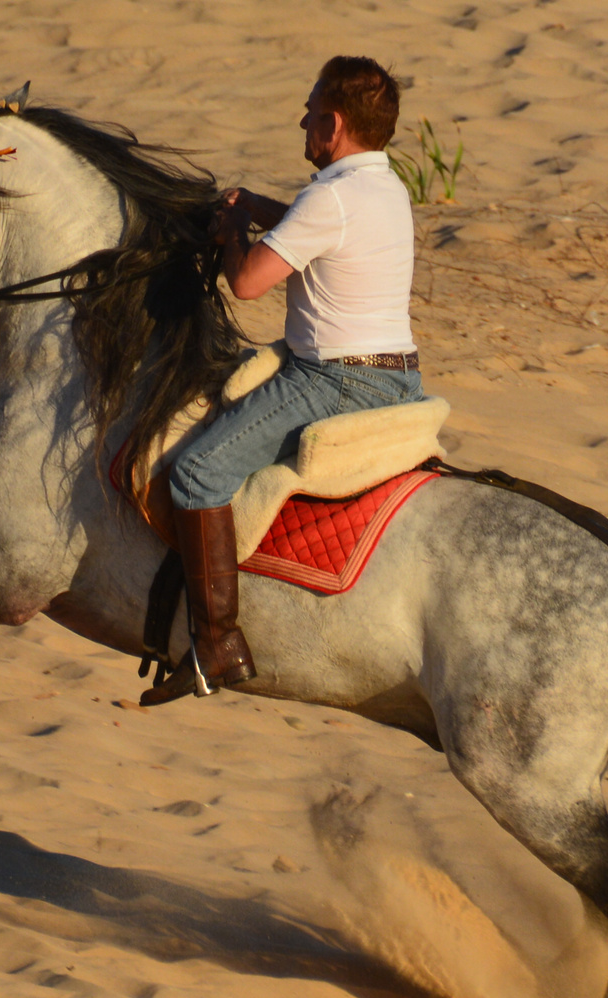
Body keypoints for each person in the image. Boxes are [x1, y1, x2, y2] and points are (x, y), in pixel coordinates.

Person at [141, 54, 423, 707]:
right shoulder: (383, 186)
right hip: (399, 378)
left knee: (197, 473)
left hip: (332, 381)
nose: (301, 119)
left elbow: (246, 283)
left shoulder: (331, 197)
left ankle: (216, 645)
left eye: (310, 111)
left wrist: (236, 226)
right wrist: (263, 208)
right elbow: (318, 226)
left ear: (332, 123)